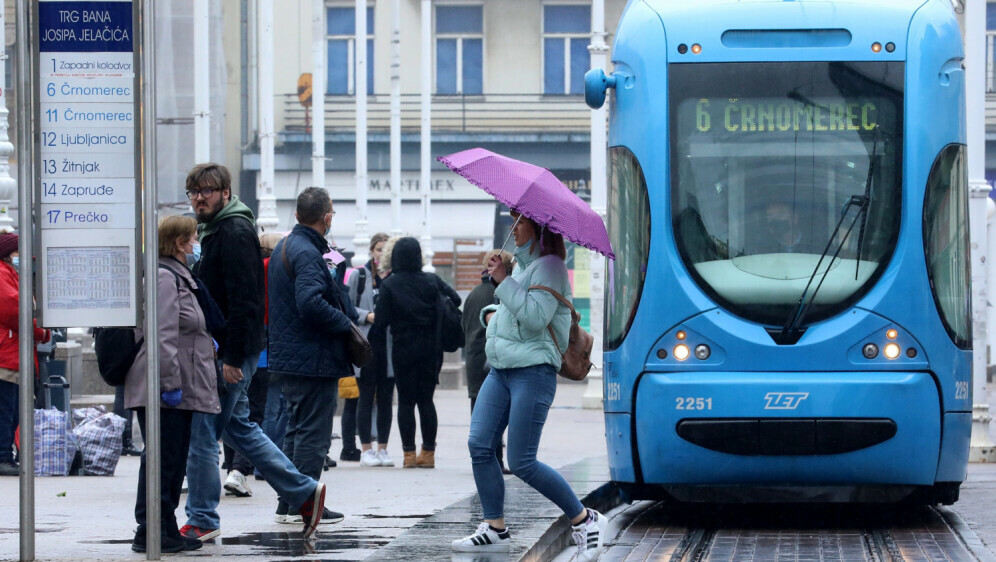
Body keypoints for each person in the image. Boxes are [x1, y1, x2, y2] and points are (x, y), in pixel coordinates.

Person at [180, 163, 328, 542]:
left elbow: (246, 300)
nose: (200, 197)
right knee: (239, 429)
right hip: (227, 349)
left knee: (202, 434)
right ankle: (303, 492)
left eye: (208, 190)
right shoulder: (216, 229)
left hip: (229, 352)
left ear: (226, 192)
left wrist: (232, 357)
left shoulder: (232, 231)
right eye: (194, 191)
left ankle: (202, 518)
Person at [453, 210, 608, 561]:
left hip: (533, 372)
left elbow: (536, 318)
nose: (514, 228)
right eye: (514, 222)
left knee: (522, 461)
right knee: (480, 445)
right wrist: (492, 309)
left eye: (521, 222)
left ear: (539, 230)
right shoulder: (523, 267)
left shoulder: (551, 267)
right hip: (501, 370)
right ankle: (495, 527)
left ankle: (585, 520)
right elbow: (512, 313)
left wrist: (505, 281)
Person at [123, 216, 220, 553]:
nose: (196, 245)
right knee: (162, 458)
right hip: (164, 386)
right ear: (179, 243)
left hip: (178, 383)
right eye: (193, 239)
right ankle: (149, 529)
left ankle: (164, 527)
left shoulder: (179, 275)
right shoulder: (165, 277)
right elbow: (162, 333)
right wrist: (167, 382)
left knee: (172, 458)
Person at [267, 187, 355, 523]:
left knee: (295, 429)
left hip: (292, 356)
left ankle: (287, 504)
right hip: (312, 358)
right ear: (327, 216)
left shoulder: (288, 246)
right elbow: (310, 302)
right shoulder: (306, 252)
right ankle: (304, 503)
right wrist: (344, 323)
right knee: (312, 434)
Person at [375, 236, 461, 469]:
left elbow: (380, 321)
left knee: (405, 402)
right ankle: (428, 453)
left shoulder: (390, 284)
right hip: (431, 350)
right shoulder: (431, 280)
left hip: (403, 350)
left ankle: (409, 455)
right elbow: (456, 298)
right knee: (426, 400)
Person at [0, 232, 51, 477]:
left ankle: (6, 456)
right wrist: (42, 332)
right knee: (6, 409)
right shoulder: (2, 274)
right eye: (20, 252)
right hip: (6, 354)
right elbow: (15, 311)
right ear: (9, 253)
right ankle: (2, 458)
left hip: (11, 352)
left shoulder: (10, 273)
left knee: (12, 409)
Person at [344, 233, 395, 468]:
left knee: (385, 398)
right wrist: (368, 316)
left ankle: (382, 448)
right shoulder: (360, 275)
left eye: (385, 251)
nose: (381, 255)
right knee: (365, 397)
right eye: (378, 250)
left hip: (388, 347)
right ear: (371, 251)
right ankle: (366, 448)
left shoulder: (394, 278)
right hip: (365, 344)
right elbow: (347, 307)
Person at [462, 249, 513, 474]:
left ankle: (483, 461)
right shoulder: (502, 293)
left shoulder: (473, 294)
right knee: (500, 412)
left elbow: (464, 327)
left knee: (479, 414)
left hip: (474, 360)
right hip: (495, 360)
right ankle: (496, 461)